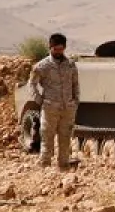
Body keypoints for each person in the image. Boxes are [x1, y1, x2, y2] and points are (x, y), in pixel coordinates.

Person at [28, 33, 81, 170]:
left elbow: (75, 84)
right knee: (47, 139)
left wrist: (75, 101)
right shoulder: (42, 66)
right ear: (50, 47)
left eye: (61, 49)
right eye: (55, 49)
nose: (58, 52)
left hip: (67, 108)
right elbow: (32, 84)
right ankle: (44, 167)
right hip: (50, 108)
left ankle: (63, 167)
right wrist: (40, 100)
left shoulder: (70, 65)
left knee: (65, 138)